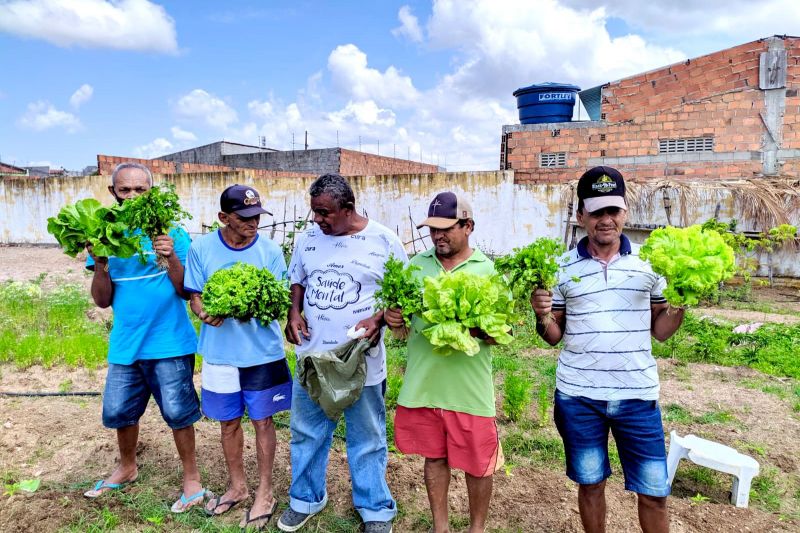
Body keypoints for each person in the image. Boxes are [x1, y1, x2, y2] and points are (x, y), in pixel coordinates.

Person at [530, 166, 685, 533]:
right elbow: (554, 335)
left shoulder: (650, 265)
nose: (606, 220)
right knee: (591, 483)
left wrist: (682, 302)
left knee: (653, 492)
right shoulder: (561, 268)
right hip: (579, 397)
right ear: (581, 214)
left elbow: (661, 331)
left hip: (637, 396)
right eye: (597, 211)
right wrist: (540, 316)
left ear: (625, 213)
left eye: (613, 210)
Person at [277, 173, 403, 533]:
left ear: (348, 209)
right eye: (314, 211)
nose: (317, 219)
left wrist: (379, 319)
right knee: (306, 432)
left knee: (367, 437)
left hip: (359, 362)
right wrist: (294, 312)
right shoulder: (308, 239)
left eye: (324, 213)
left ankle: (375, 509)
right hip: (313, 358)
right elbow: (297, 278)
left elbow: (400, 292)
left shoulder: (383, 240)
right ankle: (306, 499)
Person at [83, 162, 207, 513]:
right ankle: (127, 466)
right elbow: (102, 300)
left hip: (169, 343)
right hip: (125, 344)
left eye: (141, 190)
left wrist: (169, 258)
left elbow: (186, 291)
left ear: (151, 193)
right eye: (125, 190)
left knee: (179, 413)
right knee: (122, 412)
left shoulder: (171, 232)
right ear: (113, 193)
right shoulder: (106, 234)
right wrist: (102, 263)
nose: (133, 196)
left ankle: (192, 479)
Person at [384, 191, 502, 533]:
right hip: (425, 385)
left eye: (446, 228)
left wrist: (479, 327)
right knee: (434, 458)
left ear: (468, 226)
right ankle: (441, 527)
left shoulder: (487, 269)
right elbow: (403, 332)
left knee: (478, 465)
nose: (437, 236)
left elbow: (502, 332)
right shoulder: (417, 265)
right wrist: (396, 322)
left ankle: (476, 529)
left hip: (470, 390)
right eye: (432, 229)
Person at [184, 184, 292, 530]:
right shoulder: (201, 249)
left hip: (263, 354)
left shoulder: (271, 251)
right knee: (228, 422)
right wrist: (203, 313)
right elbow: (195, 296)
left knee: (263, 421)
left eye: (257, 216)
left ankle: (265, 491)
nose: (253, 223)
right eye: (244, 217)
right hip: (219, 354)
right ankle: (237, 487)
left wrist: (261, 306)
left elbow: (278, 300)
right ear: (223, 217)